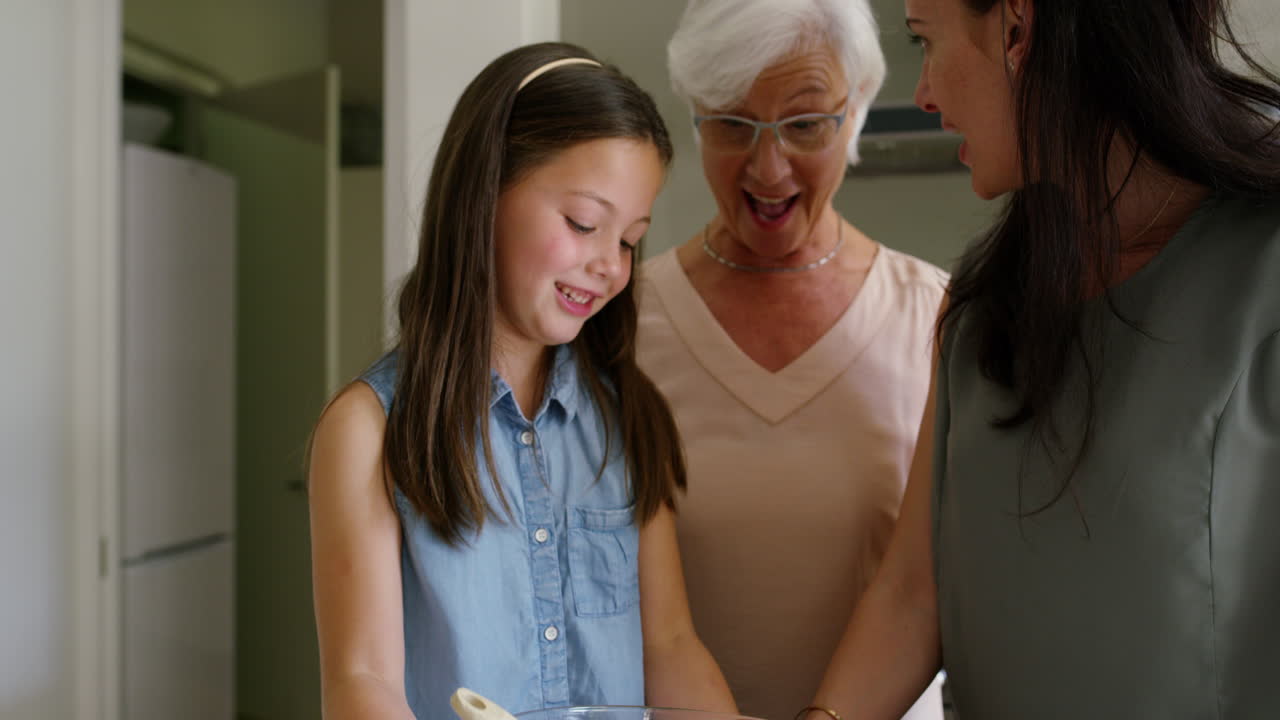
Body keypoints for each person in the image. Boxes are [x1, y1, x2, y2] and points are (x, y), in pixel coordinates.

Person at [808, 0, 1280, 717]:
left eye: (925, 42)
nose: (924, 92)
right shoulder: (983, 301)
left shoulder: (1264, 273)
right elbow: (912, 597)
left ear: (1017, 28)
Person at [307, 42, 738, 720]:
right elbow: (363, 682)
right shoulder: (368, 430)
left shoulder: (630, 420)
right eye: (584, 223)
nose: (610, 265)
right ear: (485, 195)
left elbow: (671, 645)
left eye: (629, 240)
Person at [635, 2, 948, 718]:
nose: (767, 167)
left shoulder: (938, 318)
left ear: (856, 109)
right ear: (695, 116)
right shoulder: (618, 327)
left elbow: (938, 596)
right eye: (731, 124)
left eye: (804, 124)